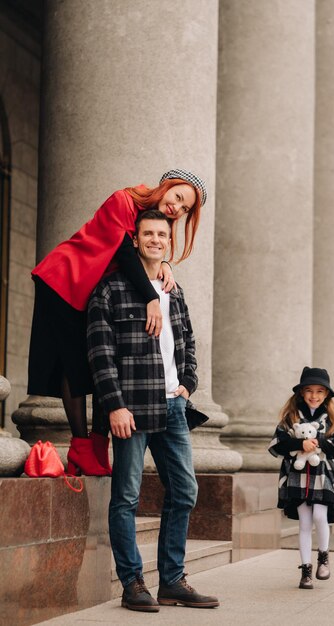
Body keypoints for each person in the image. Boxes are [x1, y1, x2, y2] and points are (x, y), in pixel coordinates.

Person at [27, 169, 207, 476]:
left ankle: (96, 447)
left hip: (89, 290)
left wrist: (164, 264)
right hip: (64, 279)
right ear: (165, 188)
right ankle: (81, 447)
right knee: (76, 364)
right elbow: (125, 251)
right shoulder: (124, 200)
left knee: (101, 367)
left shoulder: (148, 220)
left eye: (185, 208)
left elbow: (142, 249)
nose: (177, 208)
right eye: (177, 197)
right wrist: (151, 297)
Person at [86, 210, 219, 612]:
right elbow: (99, 353)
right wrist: (115, 405)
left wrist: (188, 384)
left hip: (173, 406)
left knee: (185, 490)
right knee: (126, 496)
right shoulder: (110, 289)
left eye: (162, 234)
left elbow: (188, 343)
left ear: (169, 240)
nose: (156, 240)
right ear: (135, 239)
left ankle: (173, 580)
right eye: (148, 233)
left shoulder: (173, 290)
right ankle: (132, 583)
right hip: (132, 408)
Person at [268, 366, 334, 590]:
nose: (314, 396)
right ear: (301, 393)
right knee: (304, 521)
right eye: (309, 390)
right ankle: (305, 571)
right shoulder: (291, 418)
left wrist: (319, 442)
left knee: (319, 515)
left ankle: (323, 557)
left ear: (326, 395)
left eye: (319, 391)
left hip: (324, 477)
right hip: (297, 477)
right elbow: (278, 444)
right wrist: (299, 443)